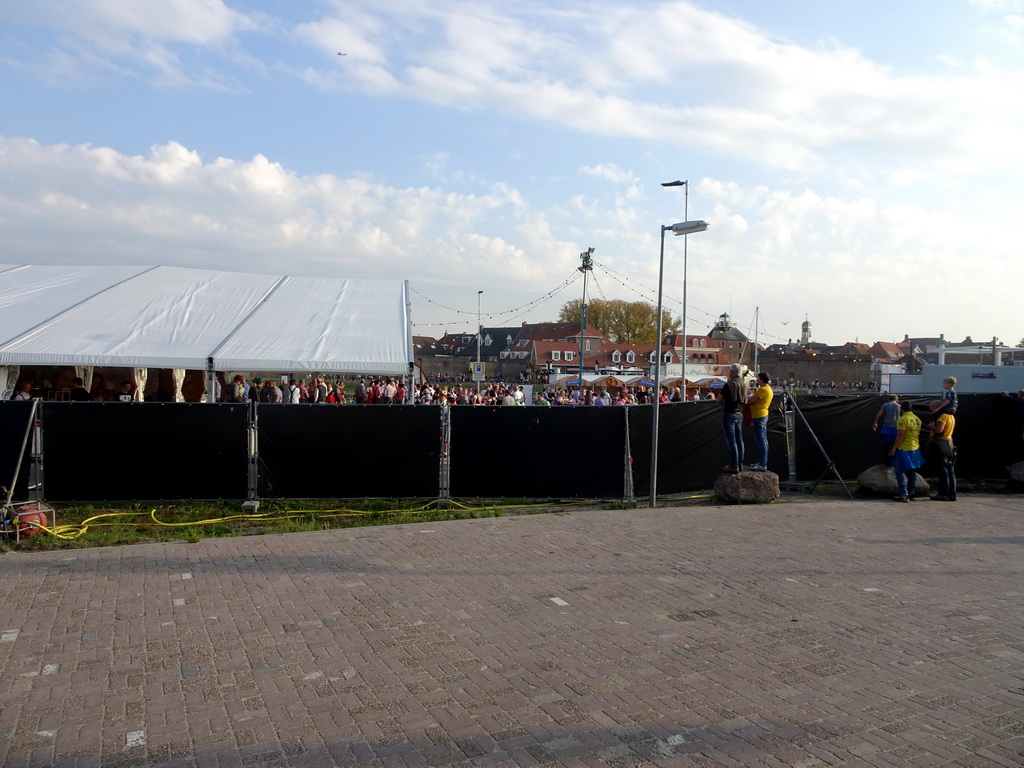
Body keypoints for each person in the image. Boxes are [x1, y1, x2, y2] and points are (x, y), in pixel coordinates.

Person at [890, 400, 923, 502]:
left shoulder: (903, 419)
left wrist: (894, 447)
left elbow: (900, 435)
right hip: (915, 447)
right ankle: (911, 492)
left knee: (899, 471)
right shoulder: (917, 419)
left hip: (904, 448)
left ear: (901, 408)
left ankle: (903, 494)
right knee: (911, 470)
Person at [721, 364, 745, 474]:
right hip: (739, 413)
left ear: (732, 372)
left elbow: (718, 399)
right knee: (739, 441)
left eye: (729, 371)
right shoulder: (743, 383)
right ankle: (740, 464)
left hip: (730, 413)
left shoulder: (729, 384)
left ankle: (734, 465)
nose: (728, 373)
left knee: (732, 441)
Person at [746, 372, 773, 471]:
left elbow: (751, 400)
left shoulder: (763, 389)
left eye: (758, 378)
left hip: (759, 416)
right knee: (763, 440)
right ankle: (762, 462)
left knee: (761, 440)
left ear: (761, 379)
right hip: (762, 415)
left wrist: (751, 397)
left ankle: (762, 464)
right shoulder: (768, 389)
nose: (757, 380)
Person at [929, 408, 957, 502]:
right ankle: (952, 494)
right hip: (950, 443)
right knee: (950, 470)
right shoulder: (951, 416)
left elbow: (939, 430)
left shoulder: (943, 416)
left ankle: (943, 494)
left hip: (941, 444)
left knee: (943, 470)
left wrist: (931, 427)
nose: (932, 411)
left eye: (933, 408)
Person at [872, 394, 901, 464]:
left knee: (886, 447)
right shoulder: (899, 406)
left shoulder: (885, 405)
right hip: (896, 428)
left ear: (888, 399)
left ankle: (886, 462)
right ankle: (894, 462)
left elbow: (879, 414)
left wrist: (875, 423)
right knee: (895, 446)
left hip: (887, 429)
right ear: (897, 400)